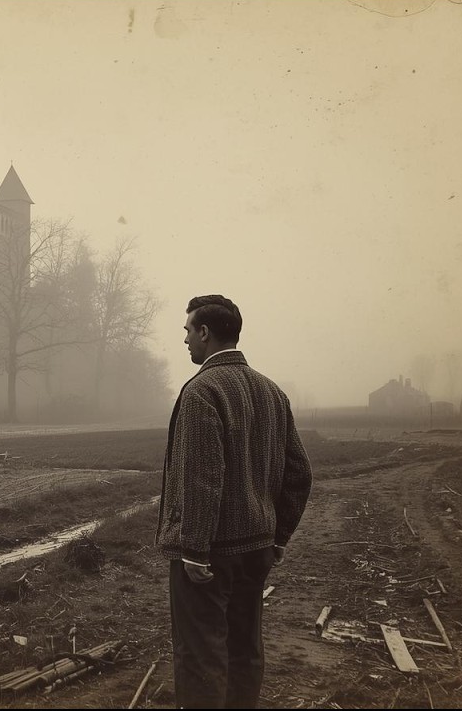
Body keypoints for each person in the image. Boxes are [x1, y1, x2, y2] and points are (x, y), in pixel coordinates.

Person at [156, 294, 312, 709]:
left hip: (209, 557)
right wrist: (278, 537)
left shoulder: (201, 391)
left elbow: (203, 478)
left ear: (205, 333)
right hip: (257, 549)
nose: (185, 340)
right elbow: (300, 474)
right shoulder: (273, 393)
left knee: (200, 656)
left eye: (187, 331)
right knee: (245, 650)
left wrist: (194, 550)